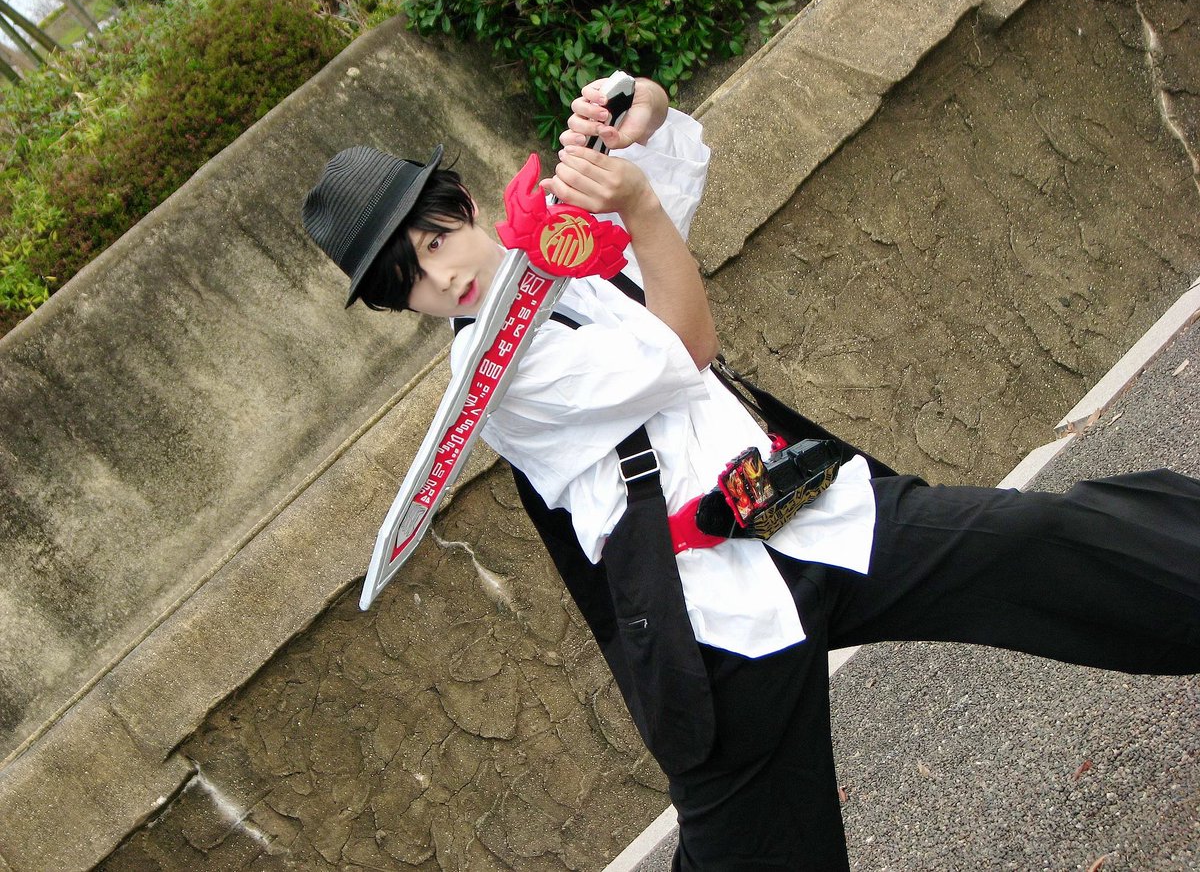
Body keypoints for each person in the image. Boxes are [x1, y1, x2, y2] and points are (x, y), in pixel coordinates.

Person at [302, 76, 1200, 871]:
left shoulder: (563, 241)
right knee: (764, 855)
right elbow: (686, 343)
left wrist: (635, 110)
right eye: (408, 280)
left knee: (1041, 541)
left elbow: (663, 161)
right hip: (712, 617)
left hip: (805, 510)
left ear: (461, 206)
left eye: (434, 240)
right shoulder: (491, 377)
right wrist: (636, 209)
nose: (440, 277)